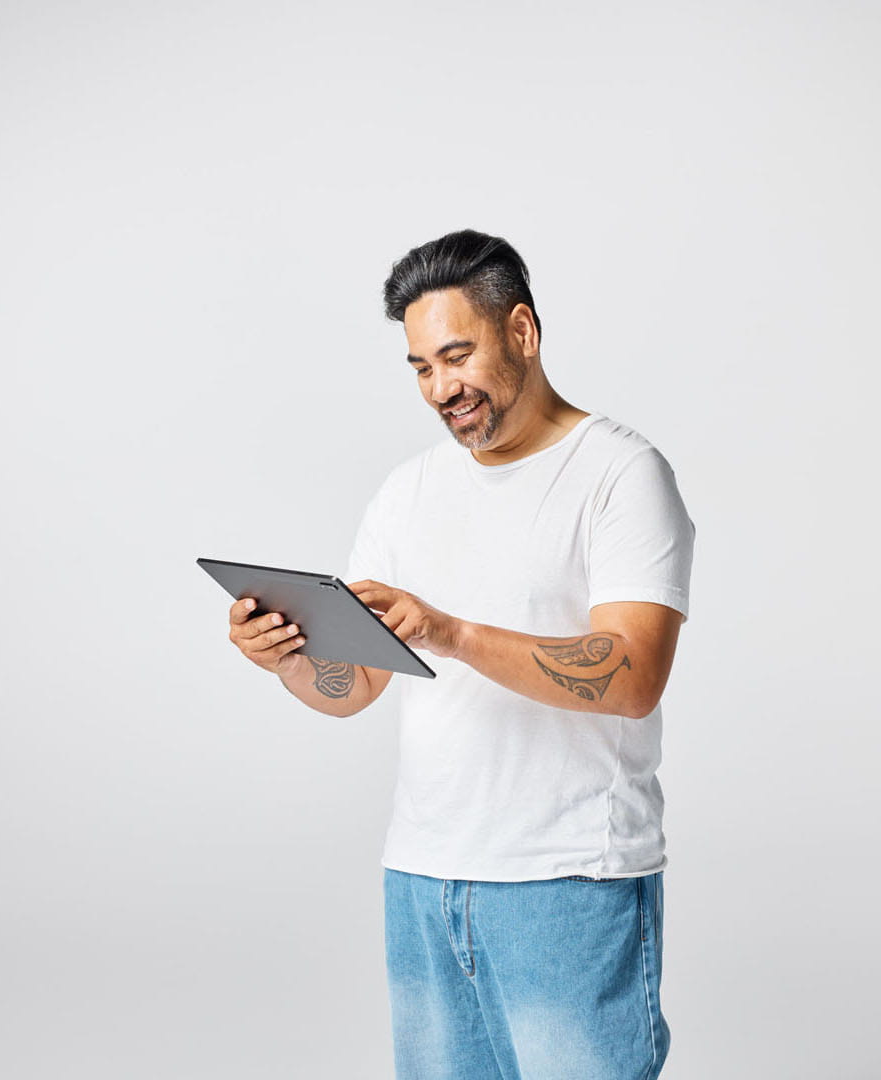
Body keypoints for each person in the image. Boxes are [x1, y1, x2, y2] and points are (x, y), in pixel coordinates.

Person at [224, 229, 694, 1080]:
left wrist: (452, 634)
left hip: (568, 884)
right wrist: (289, 657)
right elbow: (356, 685)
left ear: (522, 331)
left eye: (456, 356)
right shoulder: (407, 492)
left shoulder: (621, 475)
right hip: (423, 880)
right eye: (420, 368)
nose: (441, 389)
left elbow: (633, 675)